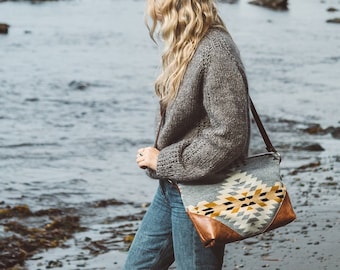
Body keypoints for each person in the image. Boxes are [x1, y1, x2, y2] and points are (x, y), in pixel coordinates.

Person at [123, 0, 250, 269]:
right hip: (172, 188)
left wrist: (163, 160)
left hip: (201, 192)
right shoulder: (188, 47)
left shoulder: (215, 49)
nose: (151, 9)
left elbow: (230, 134)